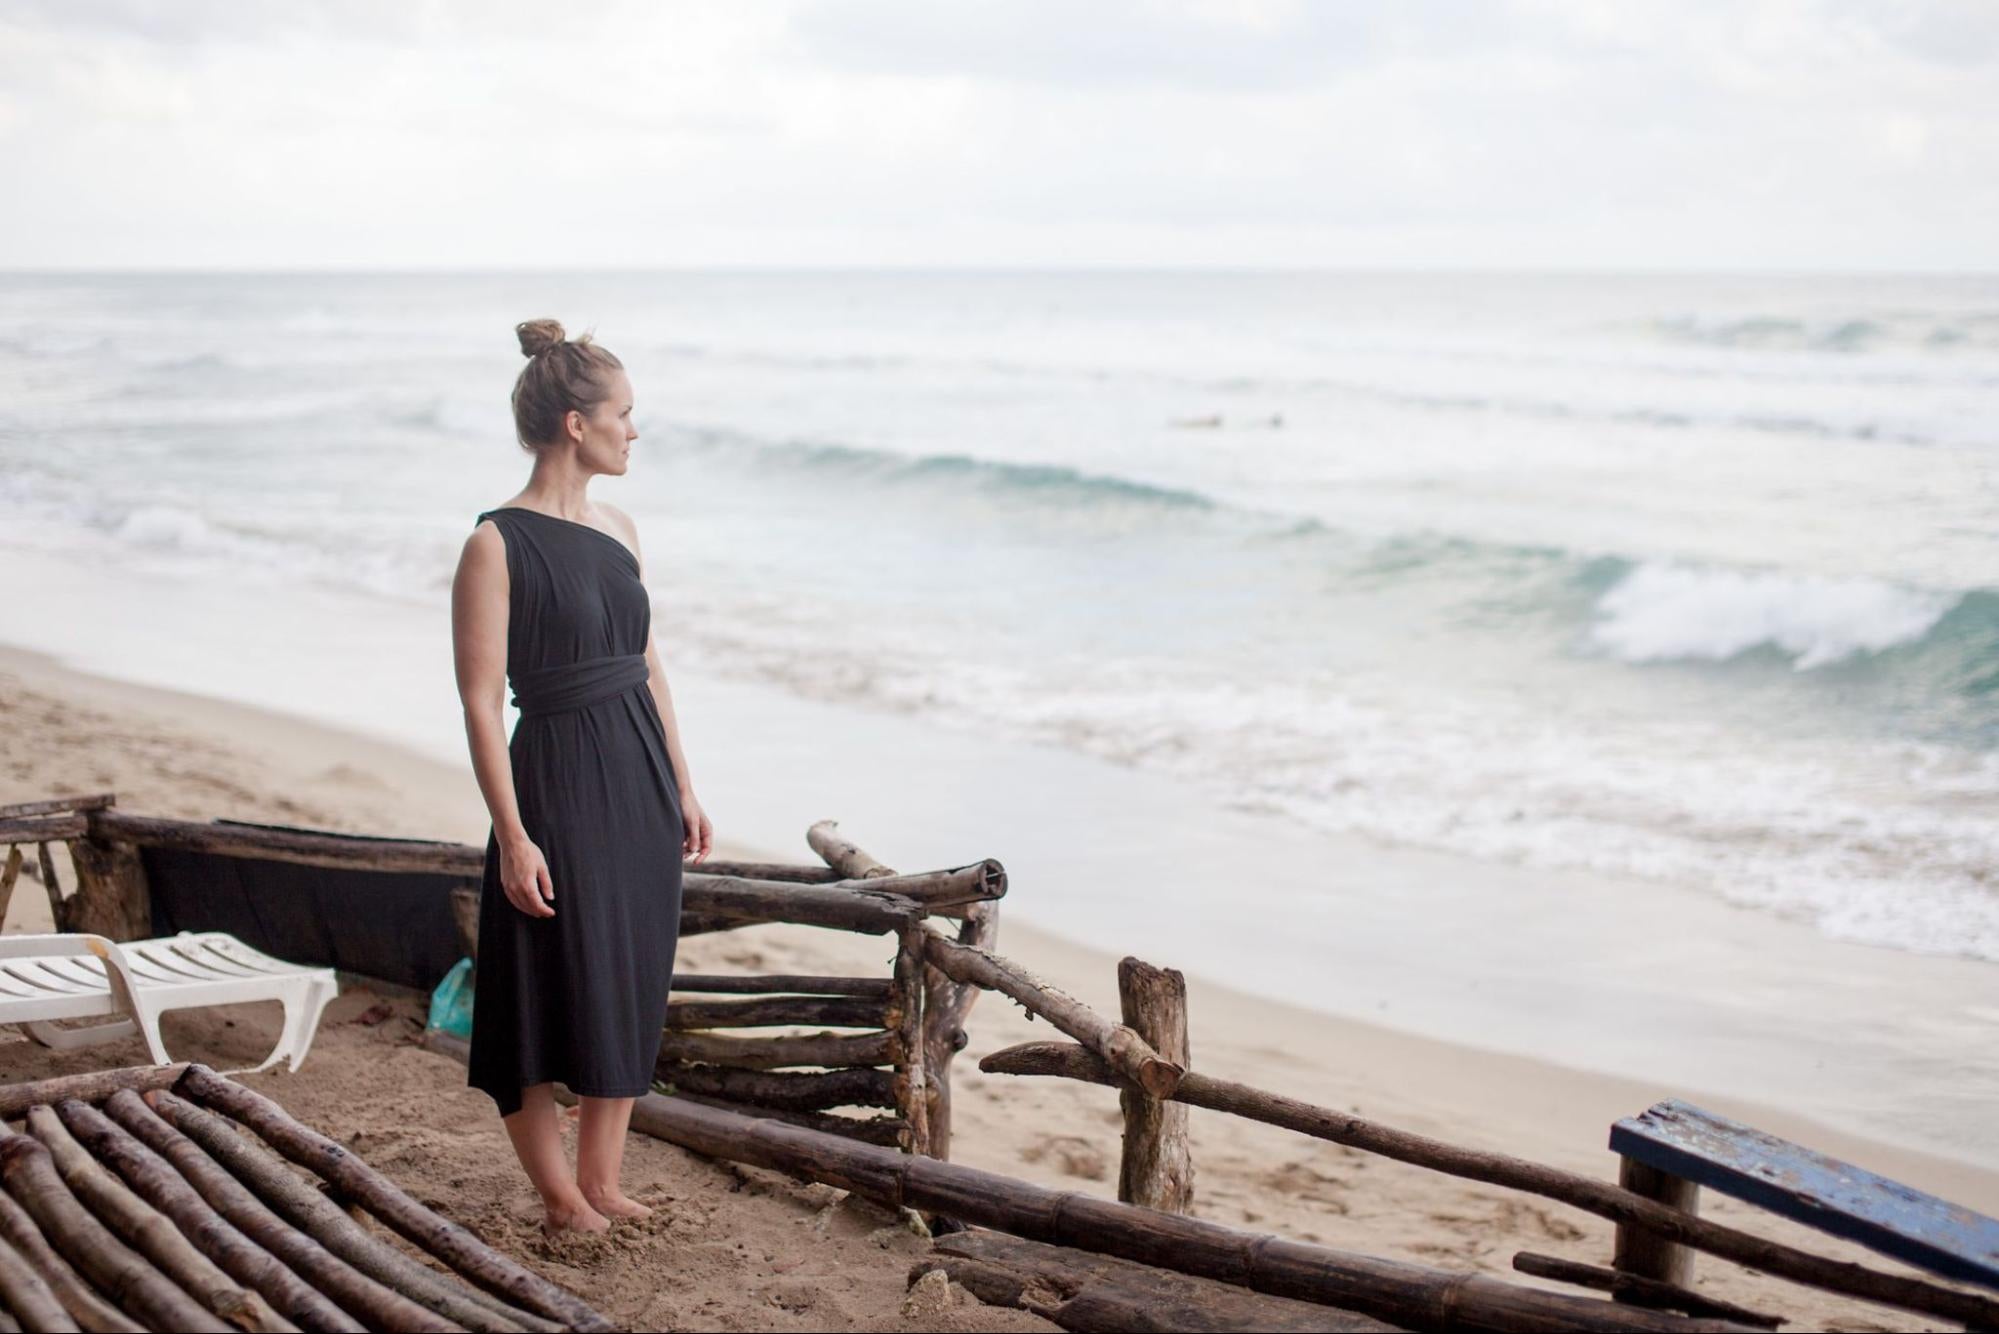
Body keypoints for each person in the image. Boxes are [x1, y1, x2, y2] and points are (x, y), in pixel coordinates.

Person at [450, 317, 714, 1234]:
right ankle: (559, 1197)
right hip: (555, 779)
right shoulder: (496, 542)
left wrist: (681, 782)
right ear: (575, 423)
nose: (634, 430)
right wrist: (514, 834)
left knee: (630, 976)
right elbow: (483, 702)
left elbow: (648, 664)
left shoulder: (622, 530)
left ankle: (601, 1181)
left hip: (637, 776)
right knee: (538, 980)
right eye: (625, 414)